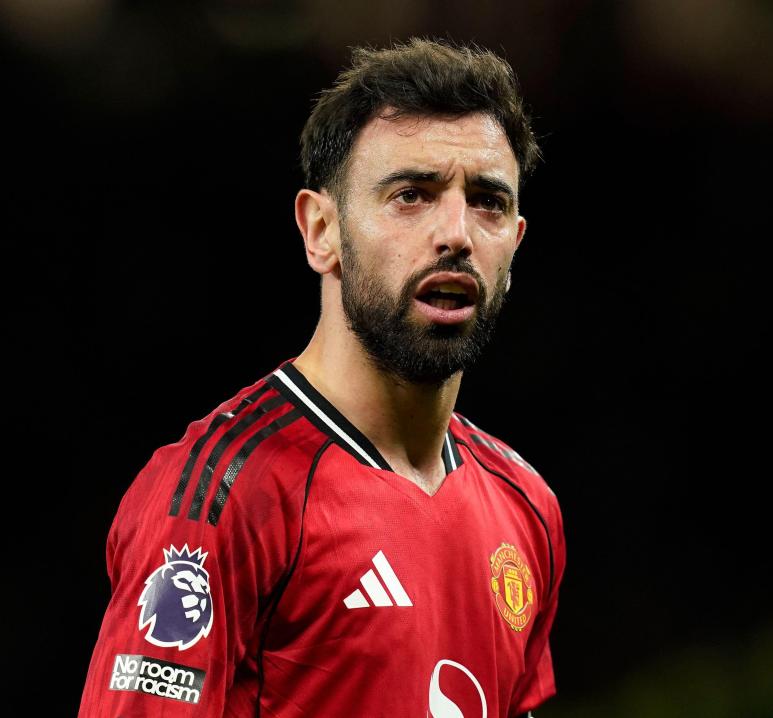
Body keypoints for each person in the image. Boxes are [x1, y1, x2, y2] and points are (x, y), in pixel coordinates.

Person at [78, 38, 565, 718]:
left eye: (485, 201)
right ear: (321, 230)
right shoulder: (220, 497)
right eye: (411, 195)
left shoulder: (526, 506)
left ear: (513, 243)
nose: (455, 232)